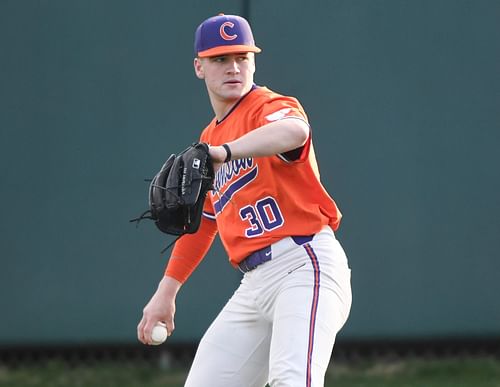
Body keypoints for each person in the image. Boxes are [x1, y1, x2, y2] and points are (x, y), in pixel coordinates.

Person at [137, 13, 352, 387]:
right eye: (220, 59)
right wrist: (166, 293)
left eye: (242, 57)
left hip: (304, 266)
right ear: (199, 67)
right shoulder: (209, 138)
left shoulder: (266, 106)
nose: (233, 67)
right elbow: (203, 222)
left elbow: (294, 131)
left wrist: (225, 151)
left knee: (292, 381)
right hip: (254, 285)